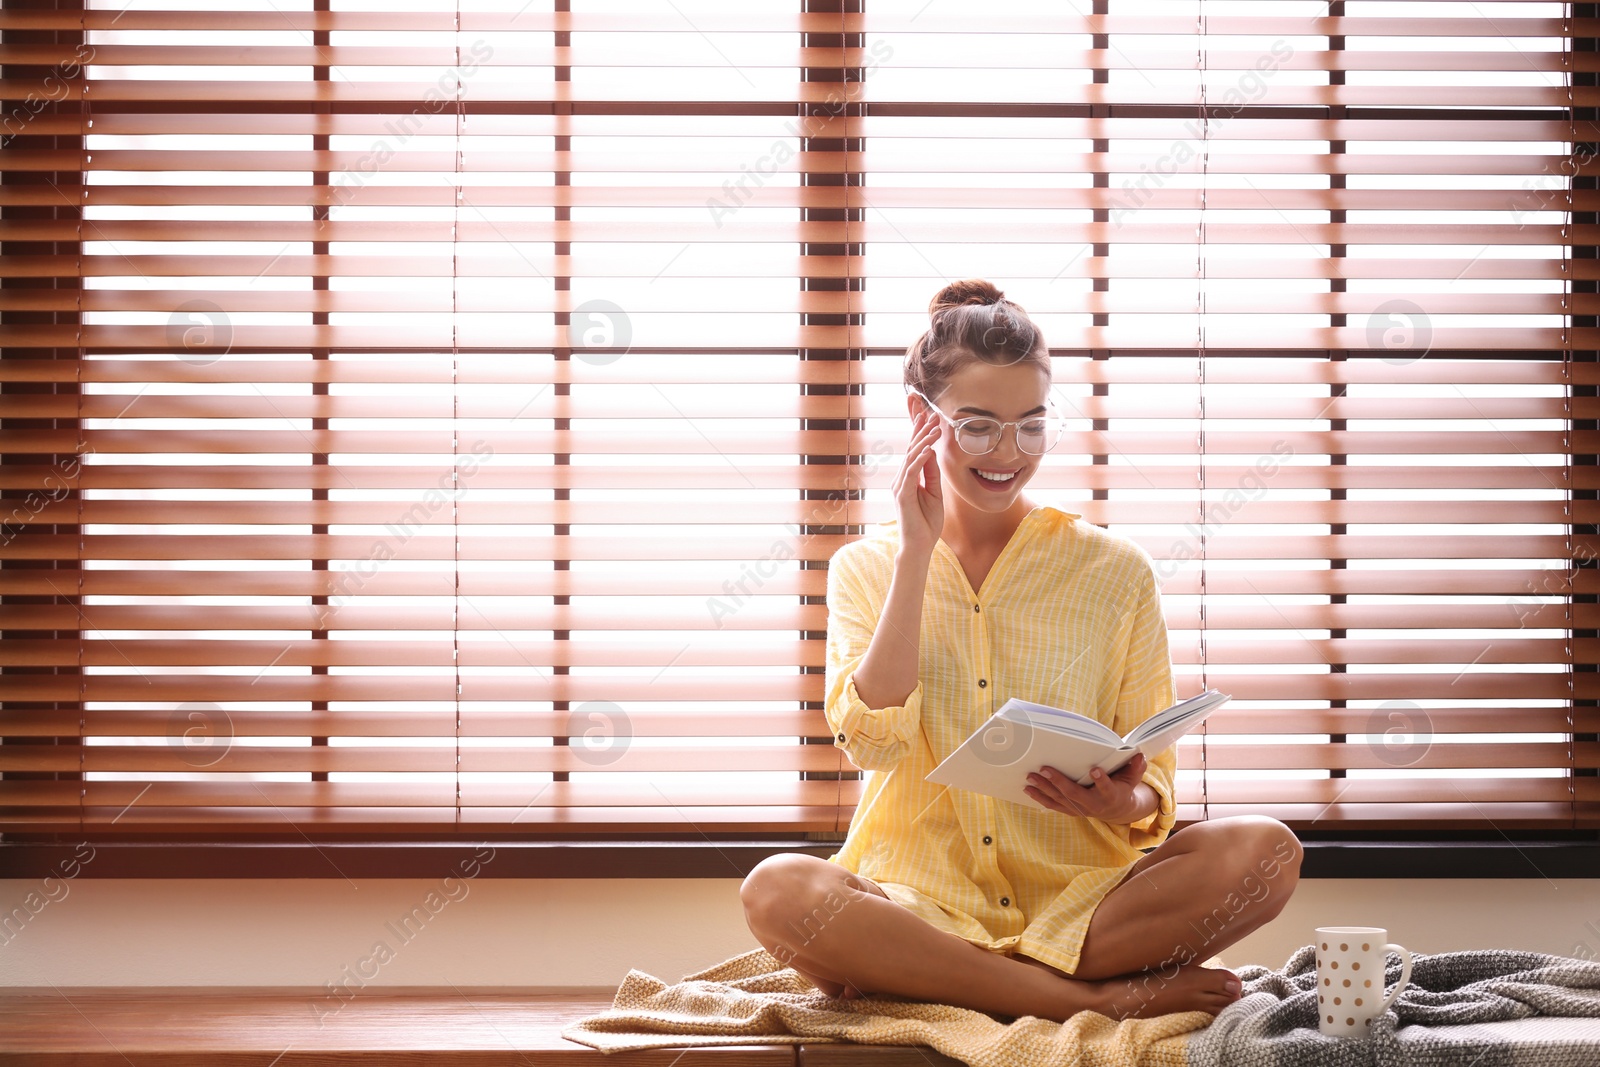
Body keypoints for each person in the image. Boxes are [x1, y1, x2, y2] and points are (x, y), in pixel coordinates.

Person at [740, 279, 1302, 1023]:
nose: (1008, 452)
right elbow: (872, 743)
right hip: (917, 902)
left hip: (1084, 911)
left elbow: (1152, 796)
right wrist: (915, 552)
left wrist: (1119, 796)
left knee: (1268, 850)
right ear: (921, 417)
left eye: (1031, 425)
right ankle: (1080, 999)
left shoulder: (1116, 570)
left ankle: (953, 980)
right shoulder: (866, 567)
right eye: (978, 426)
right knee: (777, 890)